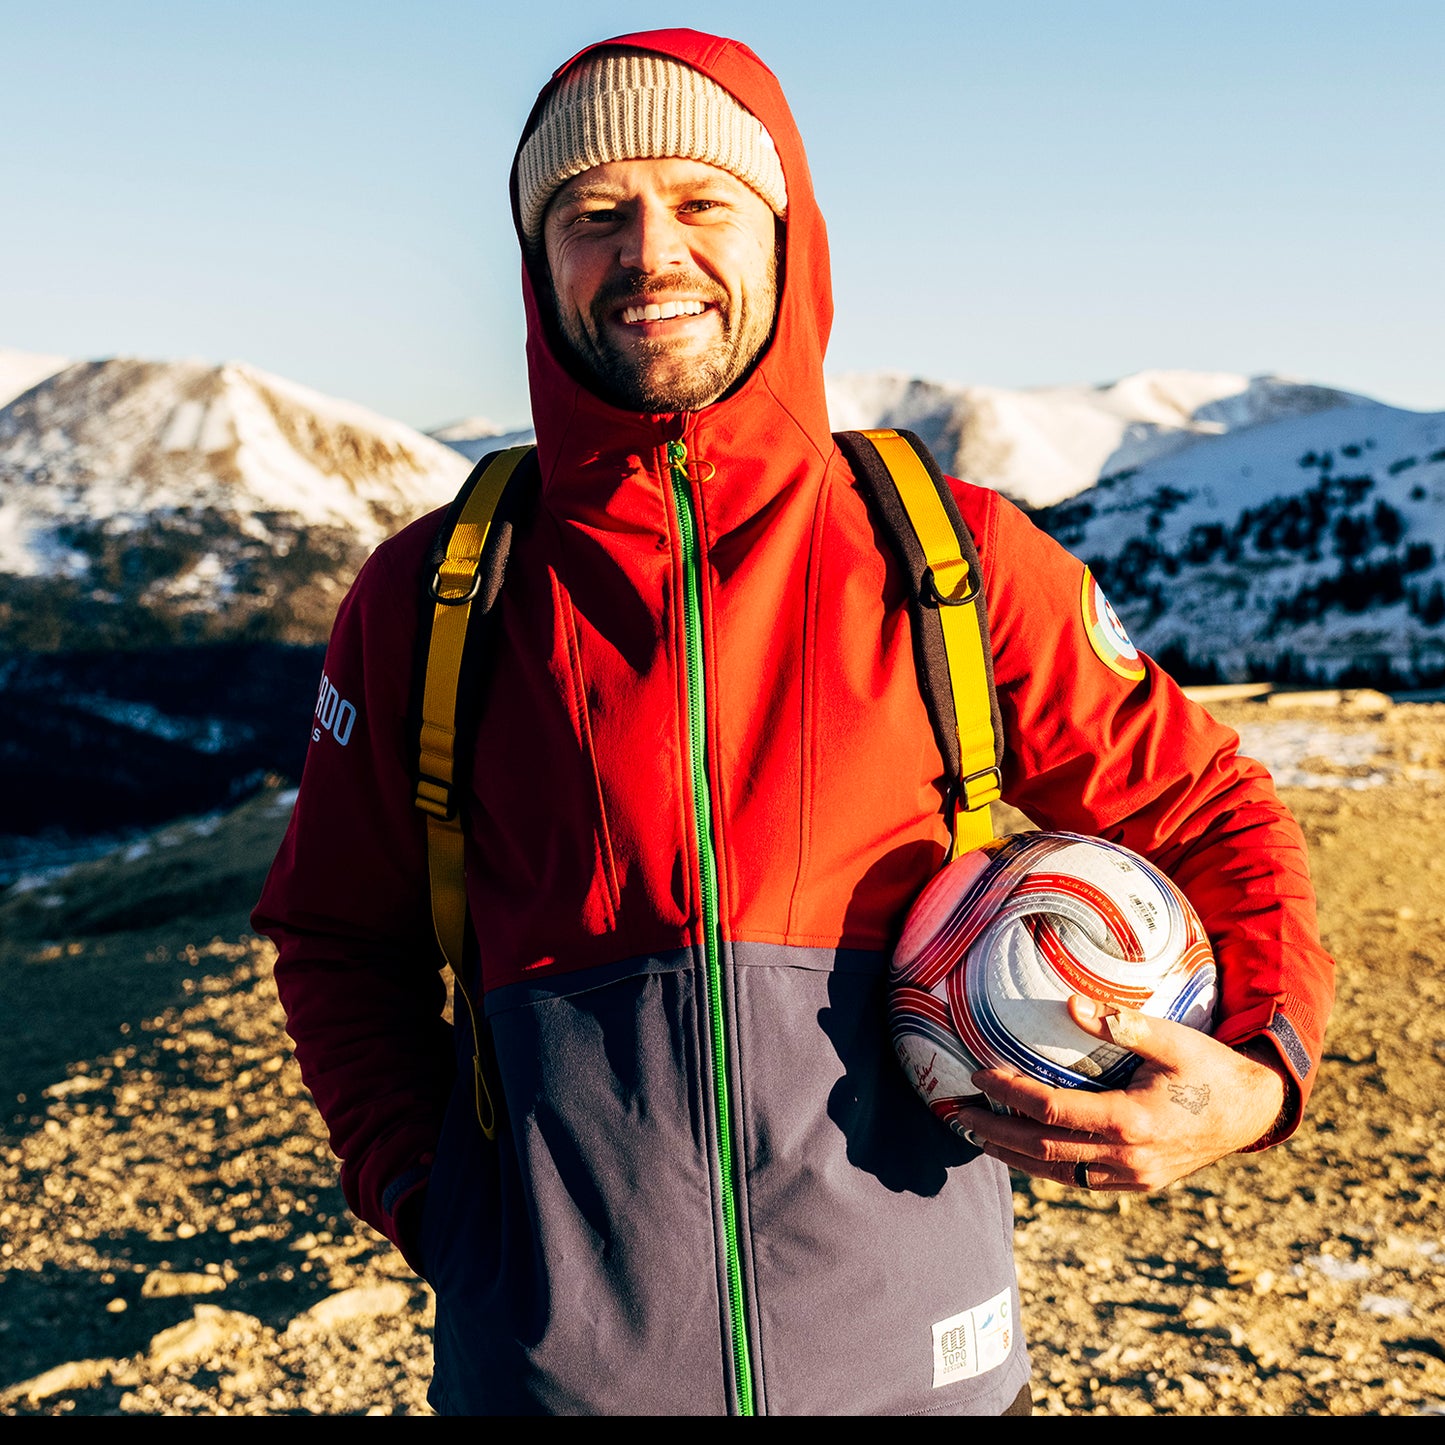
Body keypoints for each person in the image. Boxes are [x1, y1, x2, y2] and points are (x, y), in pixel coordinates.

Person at [253, 29, 1333, 1416]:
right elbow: (340, 935)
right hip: (552, 1385)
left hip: (925, 1376)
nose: (651, 252)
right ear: (540, 262)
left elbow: (1205, 811)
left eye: (702, 203)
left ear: (783, 235)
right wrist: (438, 1207)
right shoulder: (437, 595)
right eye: (595, 214)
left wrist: (1252, 1078)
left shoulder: (949, 556)